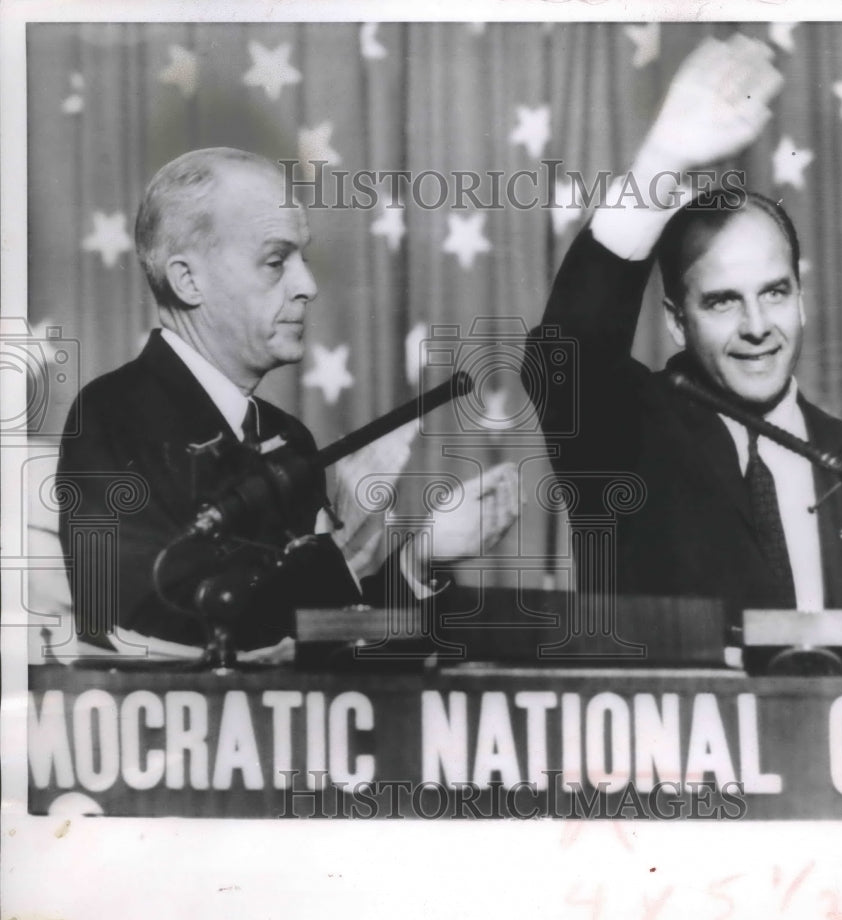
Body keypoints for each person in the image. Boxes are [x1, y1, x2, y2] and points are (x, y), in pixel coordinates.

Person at [58, 147, 515, 651]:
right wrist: (339, 557)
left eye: (302, 258)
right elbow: (153, 623)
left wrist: (419, 558)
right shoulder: (114, 415)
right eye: (276, 261)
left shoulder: (288, 437)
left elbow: (329, 638)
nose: (308, 286)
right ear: (189, 280)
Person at [525, 35, 842, 647]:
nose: (756, 325)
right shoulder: (630, 435)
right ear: (676, 321)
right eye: (721, 301)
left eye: (774, 292)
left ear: (802, 299)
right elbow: (566, 356)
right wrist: (664, 158)